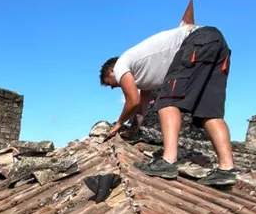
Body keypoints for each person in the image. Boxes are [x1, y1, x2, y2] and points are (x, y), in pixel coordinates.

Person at [99, 14, 236, 187]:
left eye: (109, 83)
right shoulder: (145, 77)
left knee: (166, 102)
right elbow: (142, 106)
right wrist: (133, 130)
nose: (113, 87)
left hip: (197, 41)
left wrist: (119, 123)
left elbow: (132, 101)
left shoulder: (121, 65)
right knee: (208, 112)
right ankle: (226, 170)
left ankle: (168, 162)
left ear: (111, 71)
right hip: (216, 43)